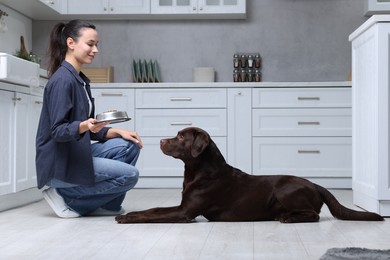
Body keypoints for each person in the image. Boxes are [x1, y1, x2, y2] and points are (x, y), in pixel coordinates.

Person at [36, 19, 143, 218]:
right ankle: (68, 197)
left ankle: (108, 205)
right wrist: (84, 125)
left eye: (96, 45)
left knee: (129, 145)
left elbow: (87, 127)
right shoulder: (62, 81)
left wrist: (116, 131)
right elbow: (58, 131)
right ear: (71, 43)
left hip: (74, 152)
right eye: (90, 44)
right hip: (59, 164)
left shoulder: (79, 80)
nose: (95, 50)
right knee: (130, 176)